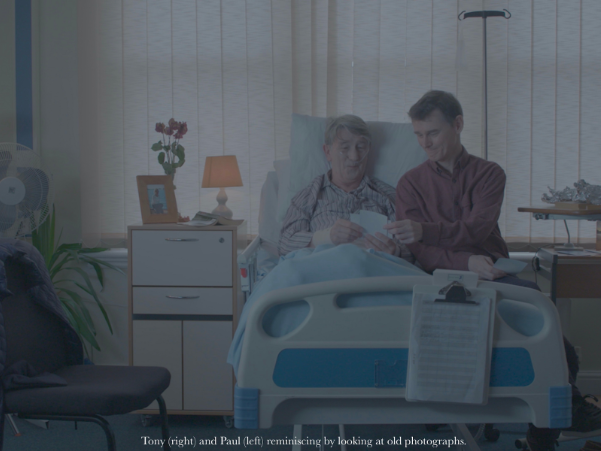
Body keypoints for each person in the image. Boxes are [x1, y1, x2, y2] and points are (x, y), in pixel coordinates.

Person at [384, 90, 601, 451]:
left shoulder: (489, 173)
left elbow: (477, 229)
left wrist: (427, 230)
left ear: (458, 125)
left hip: (495, 272)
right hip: (440, 277)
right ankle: (572, 404)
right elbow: (420, 251)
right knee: (553, 345)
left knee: (552, 336)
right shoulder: (410, 183)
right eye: (418, 135)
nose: (425, 143)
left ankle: (542, 436)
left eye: (433, 133)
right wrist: (464, 262)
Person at [278, 114, 410, 259]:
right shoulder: (309, 196)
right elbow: (285, 244)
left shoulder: (388, 197)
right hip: (324, 268)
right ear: (328, 152)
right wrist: (326, 237)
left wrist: (395, 252)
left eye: (361, 147)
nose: (354, 157)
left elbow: (414, 251)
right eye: (345, 148)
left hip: (372, 269)